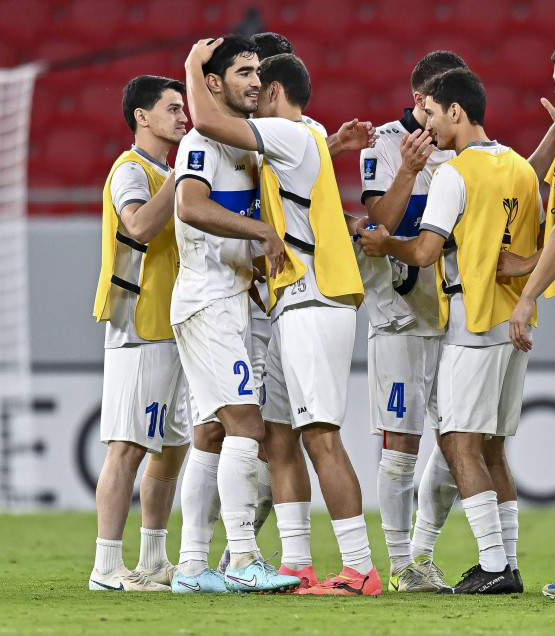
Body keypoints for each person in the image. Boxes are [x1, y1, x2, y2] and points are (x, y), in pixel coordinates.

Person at [185, 41, 381, 596]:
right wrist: (338, 143)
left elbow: (207, 120)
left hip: (317, 299)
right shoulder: (306, 137)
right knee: (277, 435)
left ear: (274, 91)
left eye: (255, 82)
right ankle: (296, 562)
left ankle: (360, 568)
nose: (249, 92)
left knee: (320, 433)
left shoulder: (291, 135)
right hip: (291, 299)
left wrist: (193, 70)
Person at [359, 67, 540, 595]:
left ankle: (492, 564)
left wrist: (383, 246)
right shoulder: (521, 169)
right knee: (492, 447)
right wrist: (521, 272)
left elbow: (423, 251)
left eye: (433, 114)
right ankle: (508, 560)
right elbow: (546, 243)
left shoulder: (454, 175)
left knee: (458, 440)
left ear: (455, 112)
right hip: (512, 323)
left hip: (469, 319)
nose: (428, 126)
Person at [168, 35, 300, 595]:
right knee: (247, 423)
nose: (254, 81)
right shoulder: (201, 140)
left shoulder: (243, 145)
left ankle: (192, 566)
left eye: (257, 71)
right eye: (242, 71)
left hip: (227, 300)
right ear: (214, 83)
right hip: (207, 301)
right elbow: (190, 205)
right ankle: (243, 555)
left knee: (211, 433)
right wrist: (261, 232)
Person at [356, 50, 468, 593]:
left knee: (458, 443)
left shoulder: (464, 147)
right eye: (439, 101)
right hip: (398, 317)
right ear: (419, 98)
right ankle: (401, 563)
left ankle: (421, 554)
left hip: (452, 318)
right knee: (400, 446)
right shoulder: (380, 143)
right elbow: (378, 223)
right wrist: (409, 168)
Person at [88, 75, 191, 593]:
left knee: (171, 447)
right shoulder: (132, 171)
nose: (183, 117)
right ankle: (106, 566)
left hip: (173, 325)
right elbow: (138, 227)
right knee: (127, 446)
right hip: (138, 327)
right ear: (141, 117)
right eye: (172, 108)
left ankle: (152, 560)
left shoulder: (166, 171)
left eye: (184, 108)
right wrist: (180, 179)